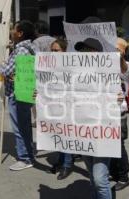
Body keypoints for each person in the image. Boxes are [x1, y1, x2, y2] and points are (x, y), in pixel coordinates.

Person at [75, 37, 129, 199]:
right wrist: (42, 95)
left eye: (85, 50)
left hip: (103, 129)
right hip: (82, 128)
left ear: (95, 53)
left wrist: (117, 99)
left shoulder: (111, 71)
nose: (81, 54)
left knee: (99, 178)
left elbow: (127, 74)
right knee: (92, 174)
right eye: (81, 51)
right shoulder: (76, 73)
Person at [0, 20, 37, 171]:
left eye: (13, 30)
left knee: (19, 127)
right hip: (25, 92)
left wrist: (3, 63)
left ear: (20, 33)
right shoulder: (30, 48)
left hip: (17, 94)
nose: (11, 32)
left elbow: (6, 71)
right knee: (25, 125)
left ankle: (25, 158)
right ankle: (29, 153)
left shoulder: (20, 50)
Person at [46, 39, 75, 180]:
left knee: (67, 134)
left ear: (64, 51)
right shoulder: (49, 67)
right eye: (51, 50)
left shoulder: (70, 67)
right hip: (54, 105)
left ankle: (67, 164)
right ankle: (61, 160)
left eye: (56, 50)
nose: (53, 53)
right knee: (59, 134)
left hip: (68, 106)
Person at [109, 38, 129, 191]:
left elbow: (125, 71)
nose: (114, 51)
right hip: (105, 110)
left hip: (119, 111)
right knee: (109, 142)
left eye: (118, 49)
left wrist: (120, 58)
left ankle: (124, 177)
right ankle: (115, 172)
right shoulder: (106, 64)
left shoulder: (127, 66)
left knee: (118, 144)